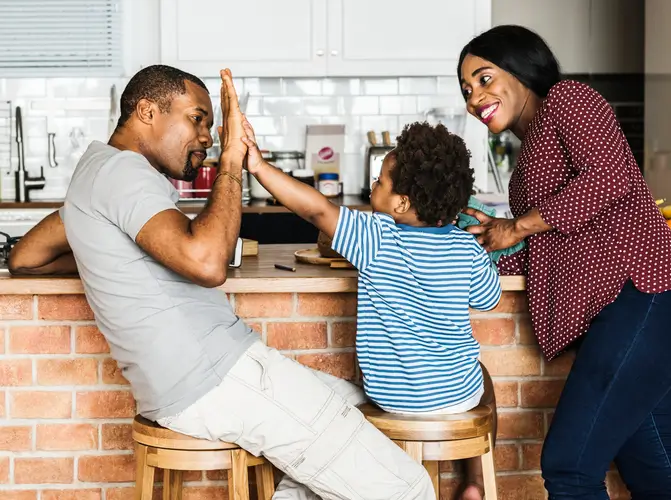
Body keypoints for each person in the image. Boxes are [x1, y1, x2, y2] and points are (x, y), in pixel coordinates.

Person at [8, 64, 435, 500]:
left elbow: (26, 258)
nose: (208, 137)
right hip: (217, 377)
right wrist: (233, 160)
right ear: (147, 111)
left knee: (356, 402)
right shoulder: (123, 173)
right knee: (411, 488)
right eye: (197, 118)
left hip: (197, 380)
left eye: (213, 126)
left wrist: (109, 258)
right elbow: (208, 263)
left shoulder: (96, 173)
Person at [458, 25, 671, 500]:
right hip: (616, 315)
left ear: (519, 66)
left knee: (569, 467)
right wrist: (483, 246)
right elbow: (553, 245)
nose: (475, 98)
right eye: (467, 90)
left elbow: (611, 175)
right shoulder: (527, 155)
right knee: (656, 474)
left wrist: (514, 228)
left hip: (640, 295)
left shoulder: (567, 99)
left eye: (485, 78)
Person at [239, 118, 501, 500]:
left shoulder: (375, 237)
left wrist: (259, 167)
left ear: (401, 203)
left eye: (379, 181)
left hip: (391, 398)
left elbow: (316, 210)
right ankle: (475, 479)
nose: (374, 185)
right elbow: (489, 299)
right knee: (482, 376)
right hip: (456, 399)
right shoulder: (467, 249)